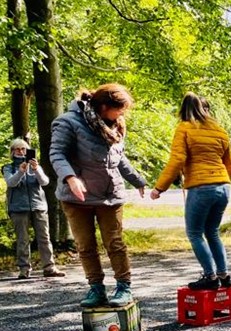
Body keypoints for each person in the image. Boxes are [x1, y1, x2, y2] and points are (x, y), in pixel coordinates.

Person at [50, 84, 147, 307]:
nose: (123, 113)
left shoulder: (116, 125)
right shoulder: (68, 122)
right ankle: (96, 289)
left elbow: (119, 158)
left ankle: (124, 287)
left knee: (115, 242)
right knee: (86, 246)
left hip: (109, 195)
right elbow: (57, 153)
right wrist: (70, 178)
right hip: (77, 198)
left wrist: (137, 180)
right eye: (119, 109)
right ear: (104, 106)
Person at [151, 93, 231, 290]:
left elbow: (177, 160)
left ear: (184, 110)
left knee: (195, 233)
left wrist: (159, 187)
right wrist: (221, 180)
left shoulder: (185, 128)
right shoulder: (220, 130)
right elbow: (230, 165)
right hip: (223, 186)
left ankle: (210, 277)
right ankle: (224, 275)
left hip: (201, 187)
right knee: (212, 232)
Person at [3, 138, 64, 279]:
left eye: (23, 149)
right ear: (12, 152)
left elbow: (45, 181)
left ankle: (49, 267)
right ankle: (24, 269)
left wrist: (36, 170)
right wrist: (20, 172)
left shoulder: (36, 166)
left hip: (38, 206)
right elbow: (11, 183)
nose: (20, 151)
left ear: (27, 150)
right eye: (17, 149)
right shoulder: (8, 167)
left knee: (44, 238)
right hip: (18, 208)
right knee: (22, 239)